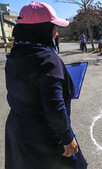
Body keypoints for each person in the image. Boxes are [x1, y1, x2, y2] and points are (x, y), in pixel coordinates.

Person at [5, 2, 87, 169]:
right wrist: (67, 138)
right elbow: (55, 108)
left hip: (18, 129)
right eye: (53, 28)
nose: (56, 33)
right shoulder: (48, 59)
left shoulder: (15, 53)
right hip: (44, 135)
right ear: (41, 29)